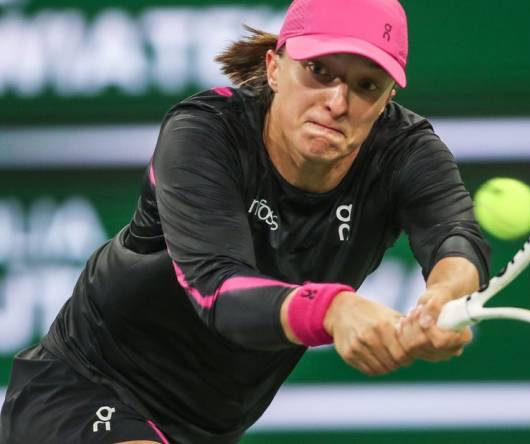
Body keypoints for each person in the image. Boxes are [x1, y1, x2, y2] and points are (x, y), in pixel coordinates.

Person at [0, 0, 490, 442]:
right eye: (319, 71)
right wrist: (333, 310)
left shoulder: (406, 150)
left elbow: (454, 236)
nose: (338, 103)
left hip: (209, 427)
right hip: (85, 386)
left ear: (385, 102)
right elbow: (218, 289)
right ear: (274, 68)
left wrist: (444, 295)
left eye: (366, 86)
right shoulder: (204, 132)